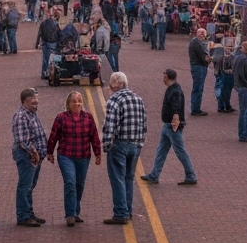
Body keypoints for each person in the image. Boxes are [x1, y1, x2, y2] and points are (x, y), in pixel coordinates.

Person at [48, 91, 102, 226]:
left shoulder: (88, 118)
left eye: (79, 101)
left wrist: (98, 154)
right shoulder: (61, 118)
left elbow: (94, 137)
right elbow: (53, 136)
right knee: (70, 182)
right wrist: (49, 152)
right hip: (66, 156)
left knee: (79, 184)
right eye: (74, 101)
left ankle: (76, 211)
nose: (77, 104)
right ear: (68, 103)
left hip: (83, 156)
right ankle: (70, 214)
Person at [102, 72, 147, 225]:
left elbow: (110, 126)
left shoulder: (114, 100)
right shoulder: (138, 99)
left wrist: (107, 145)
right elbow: (144, 123)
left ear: (114, 85)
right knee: (129, 178)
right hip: (135, 144)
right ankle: (128, 210)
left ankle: (120, 213)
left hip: (119, 144)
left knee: (117, 179)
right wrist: (140, 143)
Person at [141, 69, 198, 186]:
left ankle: (191, 174)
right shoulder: (173, 89)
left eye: (164, 77)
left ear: (167, 78)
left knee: (180, 151)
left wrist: (176, 119)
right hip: (167, 125)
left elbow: (176, 107)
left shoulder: (175, 91)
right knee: (161, 150)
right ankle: (154, 175)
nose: (163, 79)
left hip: (172, 126)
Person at [12, 88, 48, 226]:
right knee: (24, 186)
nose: (36, 101)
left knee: (30, 186)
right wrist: (35, 153)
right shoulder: (21, 116)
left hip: (34, 157)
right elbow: (23, 141)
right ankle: (23, 216)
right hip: (27, 156)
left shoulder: (32, 114)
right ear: (24, 101)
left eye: (37, 98)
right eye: (32, 99)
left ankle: (29, 213)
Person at [188, 28, 211, 116]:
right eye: (204, 35)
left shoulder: (195, 42)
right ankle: (195, 109)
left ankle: (196, 108)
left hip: (197, 66)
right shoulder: (197, 42)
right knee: (198, 88)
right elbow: (203, 57)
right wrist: (209, 59)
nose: (204, 38)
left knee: (198, 87)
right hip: (199, 67)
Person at [213, 37, 236, 113]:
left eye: (231, 45)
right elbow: (216, 59)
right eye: (228, 45)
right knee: (222, 90)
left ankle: (227, 105)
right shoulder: (219, 50)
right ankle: (221, 106)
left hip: (229, 73)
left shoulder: (233, 53)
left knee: (228, 90)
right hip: (222, 73)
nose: (229, 47)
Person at [37, 9, 61, 78]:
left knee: (45, 59)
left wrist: (38, 43)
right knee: (53, 59)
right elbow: (59, 33)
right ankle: (51, 73)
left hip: (45, 42)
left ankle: (44, 73)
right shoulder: (55, 24)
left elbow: (40, 34)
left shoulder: (43, 23)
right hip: (53, 42)